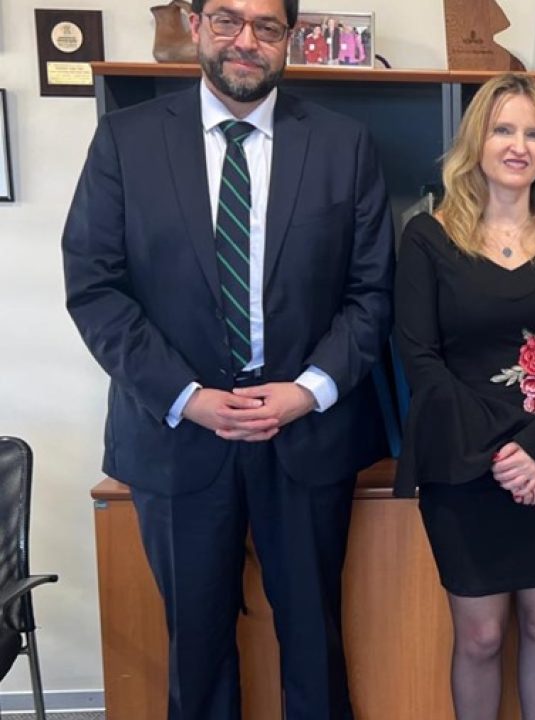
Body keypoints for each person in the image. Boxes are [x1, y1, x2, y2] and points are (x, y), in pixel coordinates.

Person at [61, 0, 394, 716]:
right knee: (197, 647)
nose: (246, 40)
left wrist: (307, 390)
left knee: (314, 640)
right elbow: (94, 288)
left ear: (290, 38)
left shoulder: (344, 145)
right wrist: (189, 397)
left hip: (305, 434)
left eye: (267, 26)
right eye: (227, 20)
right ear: (194, 24)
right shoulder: (126, 140)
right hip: (177, 436)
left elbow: (372, 293)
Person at [394, 72, 535, 720]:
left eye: (533, 133)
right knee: (481, 635)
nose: (519, 146)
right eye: (503, 129)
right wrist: (501, 456)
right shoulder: (428, 237)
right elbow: (420, 357)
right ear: (477, 140)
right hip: (462, 461)